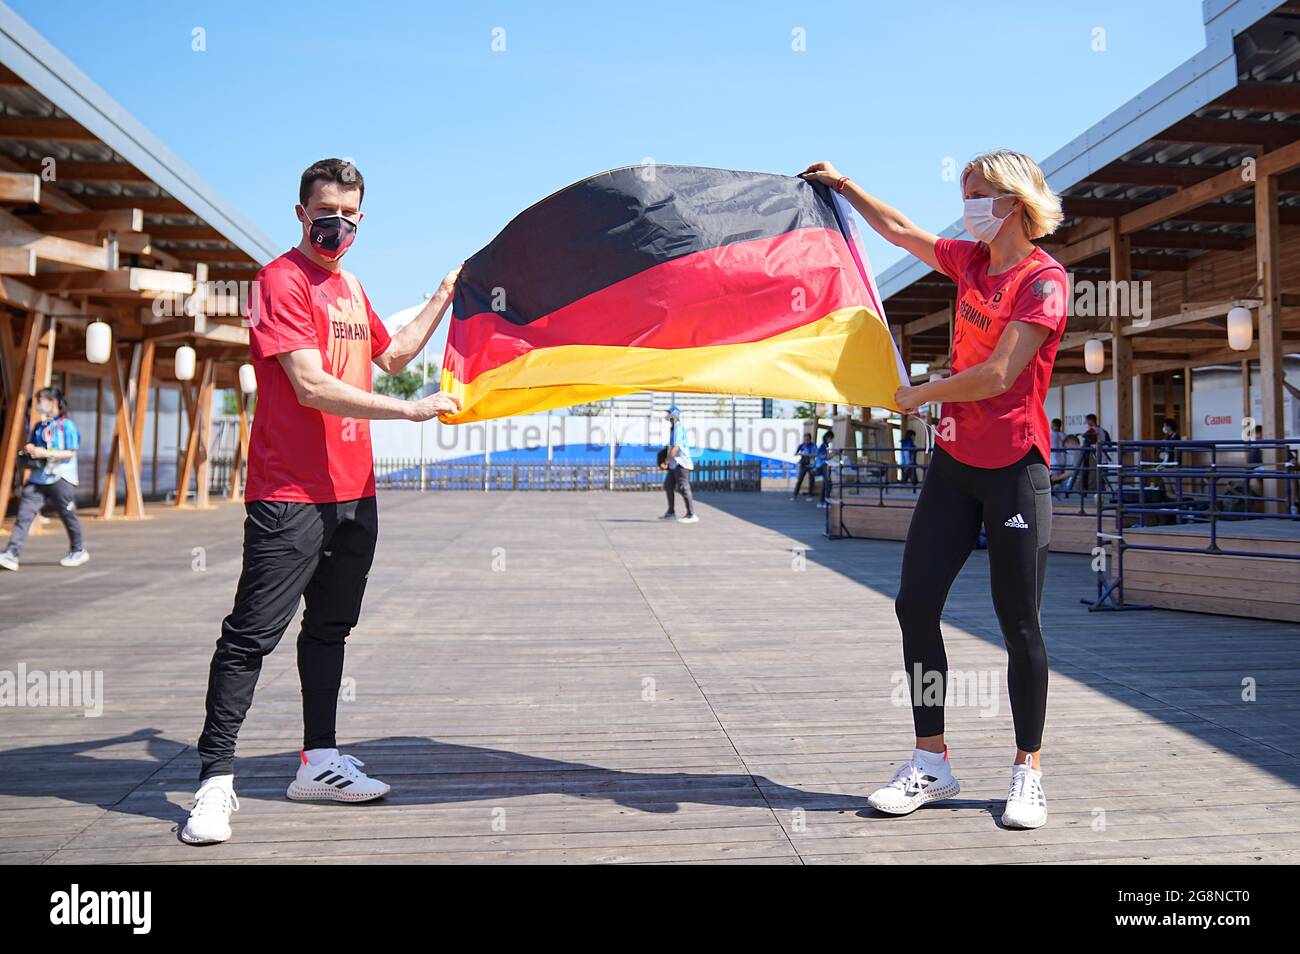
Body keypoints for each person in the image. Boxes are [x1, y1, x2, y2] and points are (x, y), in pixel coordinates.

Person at [182, 159, 462, 845]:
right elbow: (310, 386)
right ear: (303, 213)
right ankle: (215, 782)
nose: (339, 226)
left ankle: (318, 760)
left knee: (330, 630)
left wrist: (444, 295)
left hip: (352, 493)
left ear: (362, 220)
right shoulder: (279, 280)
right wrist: (413, 412)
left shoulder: (349, 286)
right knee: (251, 635)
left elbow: (392, 355)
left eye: (351, 217)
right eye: (327, 213)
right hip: (290, 493)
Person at [803, 149, 1067, 829]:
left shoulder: (1045, 281)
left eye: (977, 194)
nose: (967, 206)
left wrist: (919, 393)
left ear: (1012, 201)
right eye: (963, 194)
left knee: (1020, 625)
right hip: (953, 466)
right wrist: (845, 186)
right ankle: (932, 761)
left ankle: (1027, 770)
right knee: (915, 606)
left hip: (1015, 470)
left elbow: (1000, 376)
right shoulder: (970, 262)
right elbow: (898, 230)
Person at [0, 386, 88, 571]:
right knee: (24, 515)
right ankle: (12, 552)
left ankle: (77, 549)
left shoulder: (66, 426)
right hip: (38, 478)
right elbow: (33, 444)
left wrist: (45, 453)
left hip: (61, 477)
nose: (38, 405)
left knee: (67, 515)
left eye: (41, 401)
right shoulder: (40, 426)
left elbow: (70, 453)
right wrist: (30, 450)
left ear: (53, 402)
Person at [658, 405, 698, 523]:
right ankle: (671, 513)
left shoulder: (678, 428)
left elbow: (676, 448)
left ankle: (691, 514)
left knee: (683, 487)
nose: (668, 416)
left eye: (669, 414)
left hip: (681, 463)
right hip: (675, 464)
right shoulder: (674, 429)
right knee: (668, 485)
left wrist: (666, 462)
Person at [792, 433, 817, 499]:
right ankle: (795, 495)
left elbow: (815, 454)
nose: (806, 441)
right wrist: (800, 453)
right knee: (800, 479)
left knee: (811, 480)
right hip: (803, 464)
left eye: (808, 439)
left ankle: (810, 495)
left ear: (810, 439)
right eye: (805, 439)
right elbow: (795, 453)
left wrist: (807, 454)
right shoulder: (801, 445)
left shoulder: (813, 445)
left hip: (811, 464)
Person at [815, 431, 836, 508]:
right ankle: (826, 501)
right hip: (823, 465)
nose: (831, 440)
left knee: (825, 483)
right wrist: (834, 454)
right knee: (828, 483)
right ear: (828, 437)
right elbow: (823, 456)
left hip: (824, 465)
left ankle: (822, 501)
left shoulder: (826, 445)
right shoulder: (823, 446)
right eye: (831, 438)